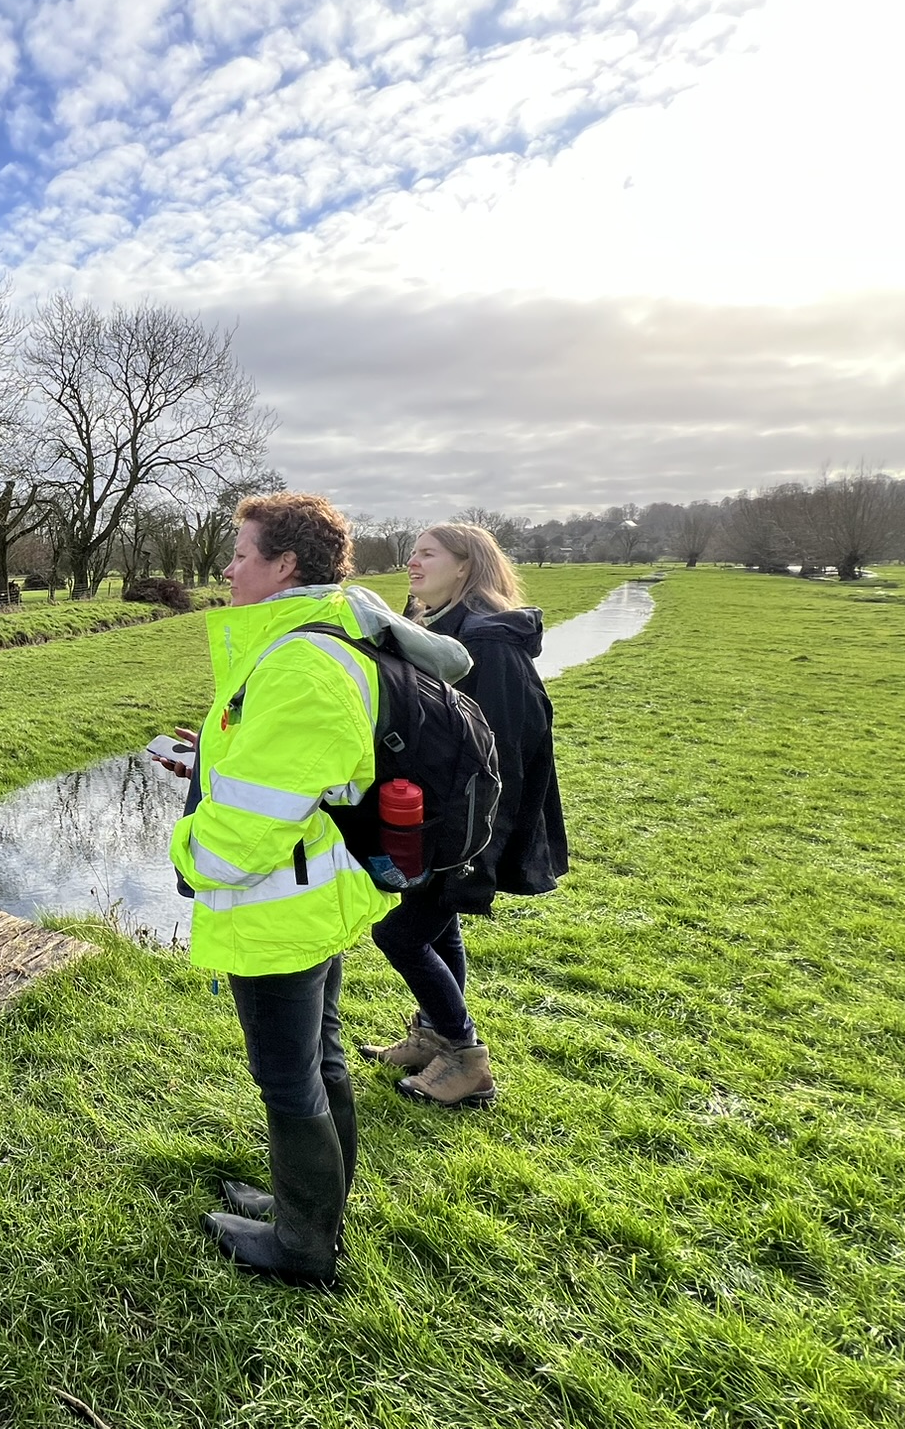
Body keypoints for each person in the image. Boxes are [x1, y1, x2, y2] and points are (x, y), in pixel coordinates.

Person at [155, 492, 469, 1283]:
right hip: (314, 893)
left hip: (278, 909)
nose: (227, 566)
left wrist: (187, 854)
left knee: (290, 1077)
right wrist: (212, 763)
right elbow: (293, 773)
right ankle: (309, 1208)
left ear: (284, 564)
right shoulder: (311, 638)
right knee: (319, 1061)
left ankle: (302, 1247)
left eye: (241, 551)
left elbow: (246, 834)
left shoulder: (300, 661)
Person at [359, 522, 569, 1107]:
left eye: (428, 553)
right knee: (434, 920)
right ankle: (431, 1036)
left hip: (462, 825)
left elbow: (505, 754)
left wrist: (477, 849)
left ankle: (466, 1058)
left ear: (466, 565)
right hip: (429, 816)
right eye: (412, 552)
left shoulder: (489, 643)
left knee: (398, 934)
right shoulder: (435, 630)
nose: (412, 562)